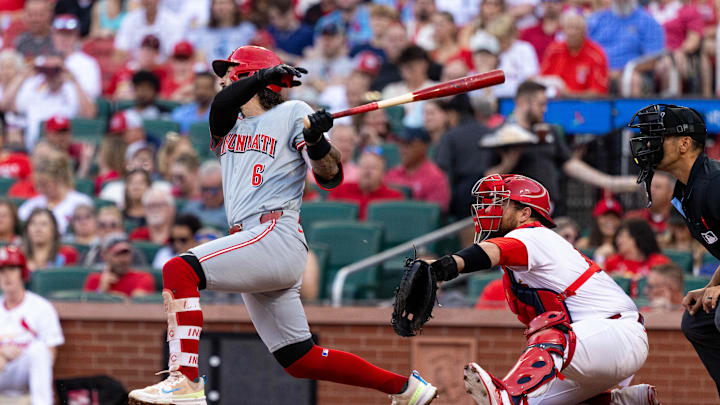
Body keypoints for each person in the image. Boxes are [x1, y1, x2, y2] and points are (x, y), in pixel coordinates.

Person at [127, 45, 437, 405]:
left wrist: (318, 141)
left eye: (231, 72)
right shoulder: (228, 122)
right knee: (299, 358)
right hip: (253, 241)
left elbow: (331, 176)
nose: (223, 79)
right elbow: (222, 105)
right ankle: (406, 389)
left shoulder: (293, 112)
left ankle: (185, 378)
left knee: (179, 269)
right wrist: (262, 76)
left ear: (245, 76)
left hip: (275, 233)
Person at [423, 174, 657, 405]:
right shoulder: (518, 264)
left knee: (543, 338)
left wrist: (443, 267)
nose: (489, 209)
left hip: (615, 334)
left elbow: (494, 252)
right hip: (591, 350)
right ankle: (619, 401)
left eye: (501, 203)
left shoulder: (534, 234)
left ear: (525, 213)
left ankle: (507, 393)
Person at [628, 103, 720, 395]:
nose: (648, 144)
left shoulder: (714, 184)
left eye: (658, 136)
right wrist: (710, 286)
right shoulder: (687, 190)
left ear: (684, 143)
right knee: (697, 322)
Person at [490, 81, 638, 214]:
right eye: (540, 104)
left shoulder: (548, 132)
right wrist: (508, 163)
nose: (545, 109)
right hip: (517, 212)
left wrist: (610, 182)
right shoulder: (502, 134)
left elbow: (570, 164)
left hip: (549, 210)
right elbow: (486, 179)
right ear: (522, 102)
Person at [0, 246, 64, 405]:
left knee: (39, 349)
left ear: (22, 273)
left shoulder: (41, 307)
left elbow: (50, 352)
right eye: (2, 271)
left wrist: (22, 353)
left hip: (25, 372)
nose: (7, 276)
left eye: (12, 269)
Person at [0, 52, 96, 149]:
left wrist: (75, 81)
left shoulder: (72, 90)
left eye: (55, 70)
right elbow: (5, 105)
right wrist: (23, 75)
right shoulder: (34, 88)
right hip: (35, 148)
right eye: (47, 70)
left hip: (64, 148)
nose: (52, 75)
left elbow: (89, 114)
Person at [587, 0, 664, 95]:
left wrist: (623, 71)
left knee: (632, 79)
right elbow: (584, 48)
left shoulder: (647, 21)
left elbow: (653, 59)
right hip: (597, 71)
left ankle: (632, 109)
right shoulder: (597, 20)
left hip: (630, 73)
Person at [18, 152, 93, 235]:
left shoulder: (81, 202)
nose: (40, 189)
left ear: (59, 179)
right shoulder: (31, 205)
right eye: (38, 185)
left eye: (45, 184)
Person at [539, 11, 609, 97]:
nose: (572, 32)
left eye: (576, 28)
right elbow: (541, 81)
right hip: (554, 103)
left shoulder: (596, 54)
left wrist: (569, 95)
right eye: (569, 28)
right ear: (563, 30)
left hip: (585, 106)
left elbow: (599, 93)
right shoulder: (553, 50)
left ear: (585, 31)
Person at [385, 127, 450, 212]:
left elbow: (434, 215)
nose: (402, 149)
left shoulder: (435, 177)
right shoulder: (392, 173)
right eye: (400, 144)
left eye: (408, 144)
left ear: (423, 147)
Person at [329, 148, 405, 220]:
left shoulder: (394, 198)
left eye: (373, 168)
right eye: (364, 167)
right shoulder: (340, 191)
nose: (367, 171)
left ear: (383, 173)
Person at [83, 233, 156, 298]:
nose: (123, 259)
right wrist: (101, 289)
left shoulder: (142, 278)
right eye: (117, 254)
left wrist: (108, 295)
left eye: (126, 253)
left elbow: (138, 304)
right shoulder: (95, 279)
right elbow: (87, 309)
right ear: (104, 256)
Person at [187, 0, 256, 65]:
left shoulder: (247, 30)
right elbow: (200, 60)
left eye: (225, 3)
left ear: (235, 6)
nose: (221, 8)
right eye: (217, 3)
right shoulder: (203, 32)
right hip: (210, 75)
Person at [51, 14, 102, 99]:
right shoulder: (44, 61)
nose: (62, 39)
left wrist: (72, 81)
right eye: (59, 34)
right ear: (53, 36)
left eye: (68, 35)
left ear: (76, 37)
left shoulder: (87, 63)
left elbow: (93, 95)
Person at [114, 0, 183, 59]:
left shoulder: (172, 21)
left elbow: (174, 54)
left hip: (163, 70)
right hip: (136, 69)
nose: (147, 1)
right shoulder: (130, 19)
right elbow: (120, 52)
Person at [604, 218, 671, 278]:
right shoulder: (612, 262)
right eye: (618, 236)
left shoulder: (658, 262)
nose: (618, 240)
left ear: (636, 238)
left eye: (622, 236)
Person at [181, 161, 227, 230]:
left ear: (224, 188)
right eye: (204, 189)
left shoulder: (230, 214)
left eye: (214, 190)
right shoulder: (190, 209)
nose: (208, 195)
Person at [576, 198, 624, 264]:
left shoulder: (625, 245)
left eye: (615, 216)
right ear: (596, 219)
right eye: (605, 216)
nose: (610, 220)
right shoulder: (584, 243)